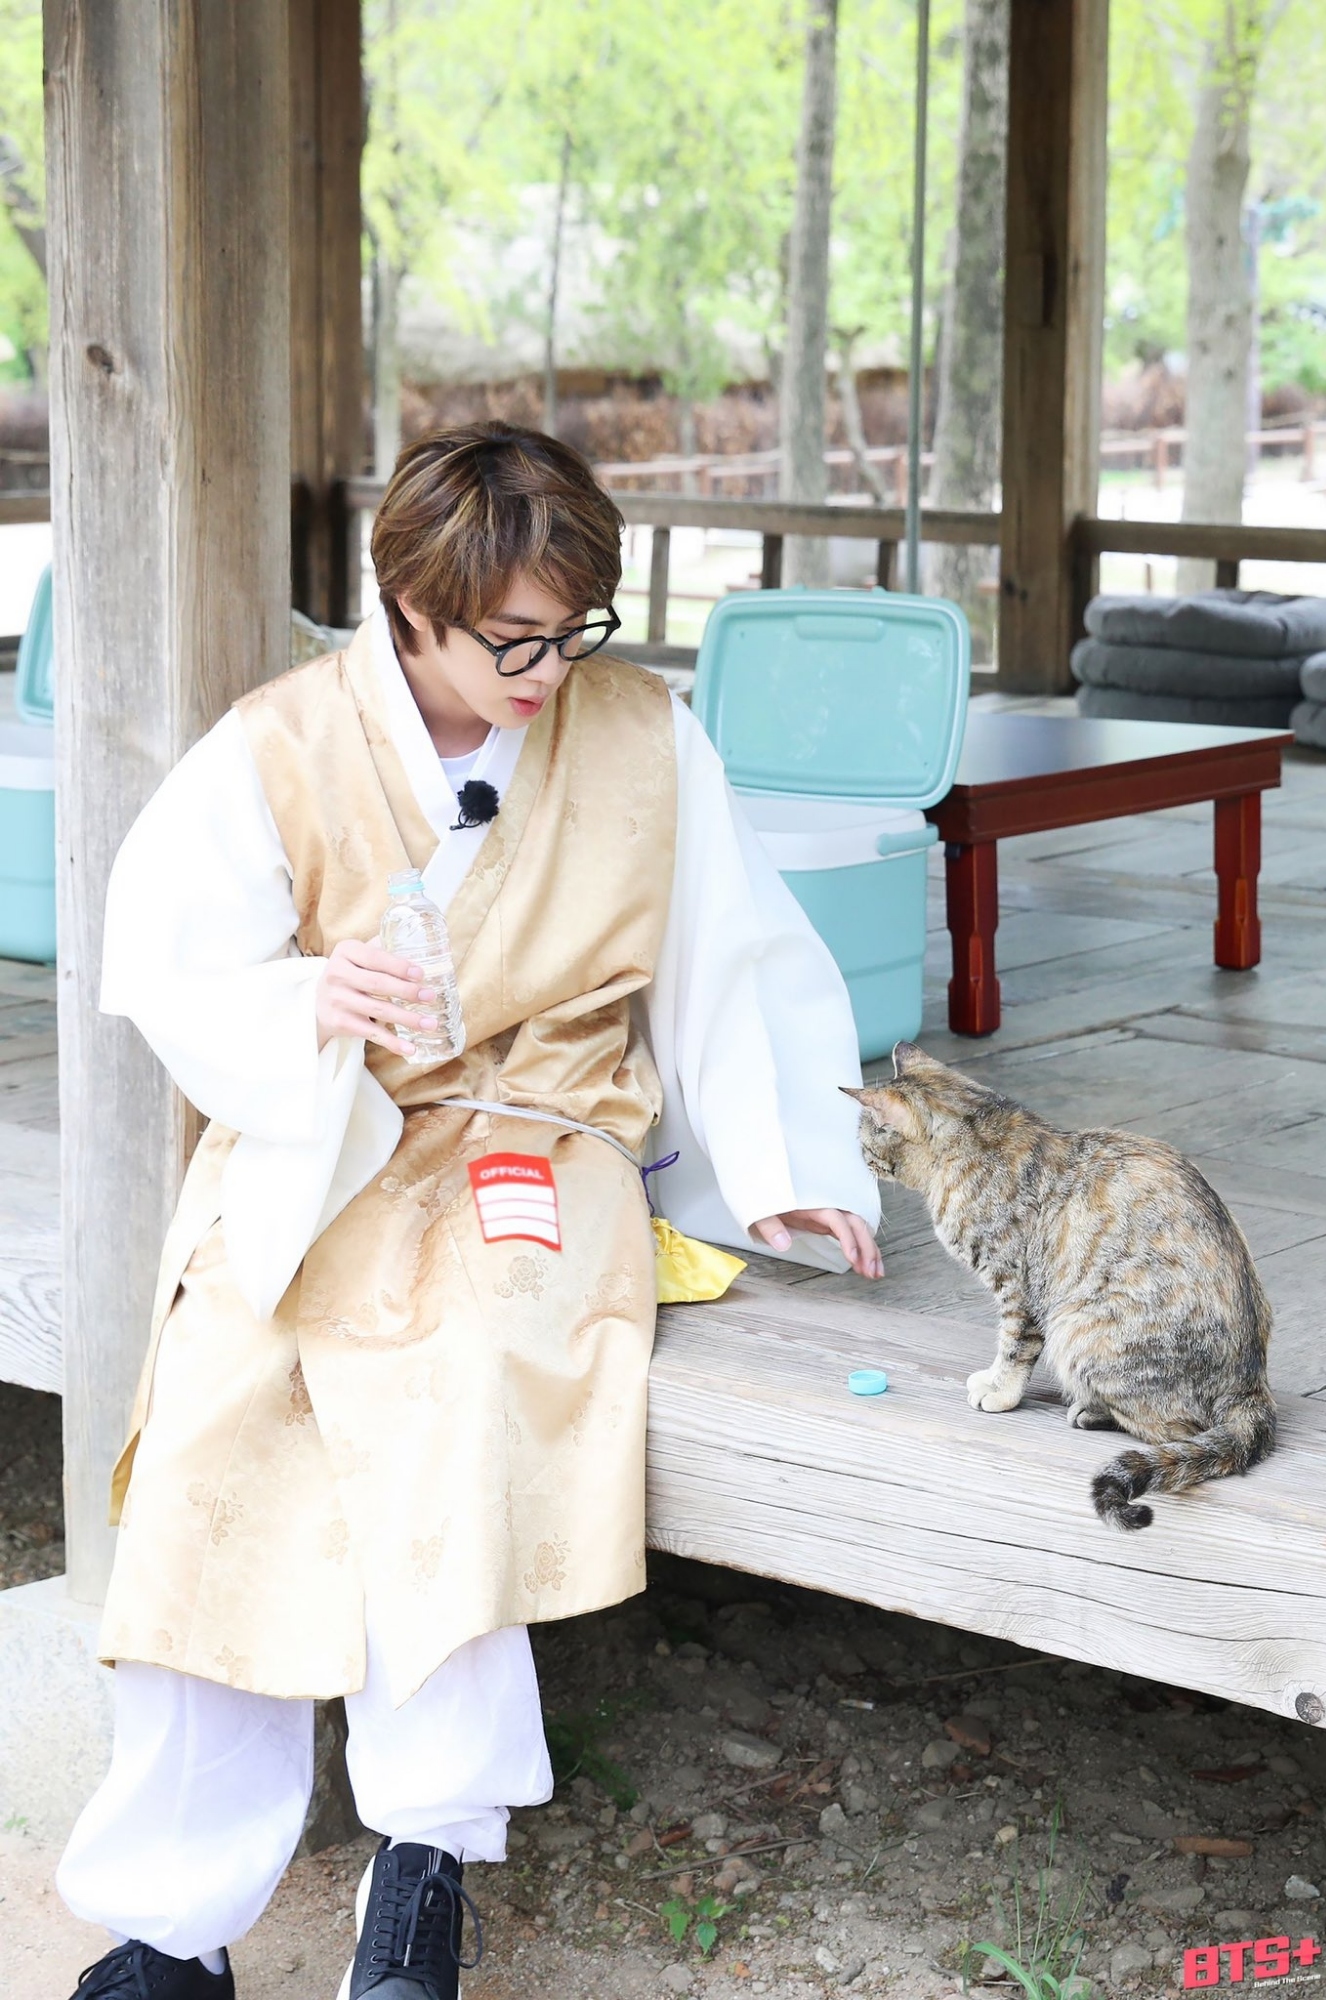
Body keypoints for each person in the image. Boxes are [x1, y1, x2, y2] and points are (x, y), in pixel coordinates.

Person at [58, 422, 883, 2000]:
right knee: (216, 1405)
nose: (551, 671)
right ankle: (170, 1922)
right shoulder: (281, 745)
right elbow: (171, 967)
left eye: (576, 631)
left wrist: (784, 1169)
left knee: (458, 1384)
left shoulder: (646, 736)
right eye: (514, 640)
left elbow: (731, 956)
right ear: (410, 612)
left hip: (535, 1136)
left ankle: (423, 1866)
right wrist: (307, 998)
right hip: (325, 1131)